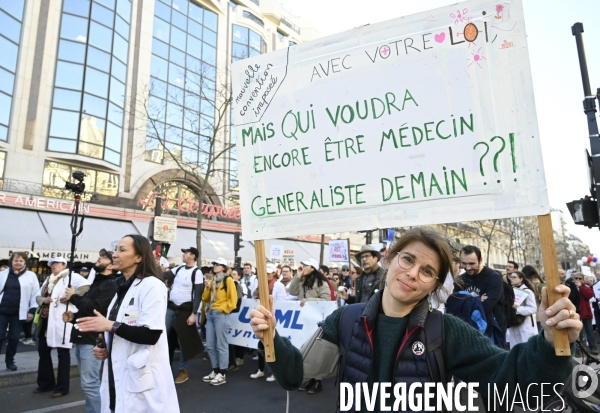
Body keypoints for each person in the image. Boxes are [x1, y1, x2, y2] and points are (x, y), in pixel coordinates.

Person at [249, 228, 581, 412]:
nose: (411, 274)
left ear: (436, 285)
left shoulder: (447, 331)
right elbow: (295, 374)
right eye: (407, 259)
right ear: (390, 260)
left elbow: (517, 383)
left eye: (427, 271)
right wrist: (271, 337)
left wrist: (552, 344)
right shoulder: (345, 320)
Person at [75, 234, 179, 413]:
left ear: (139, 257)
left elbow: (150, 335)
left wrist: (109, 325)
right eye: (115, 250)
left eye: (122, 250)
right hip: (117, 377)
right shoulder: (121, 288)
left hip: (142, 379)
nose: (115, 254)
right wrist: (103, 344)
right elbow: (121, 327)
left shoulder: (152, 286)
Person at [62, 248, 118, 413]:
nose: (98, 259)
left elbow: (96, 309)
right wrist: (74, 316)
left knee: (90, 383)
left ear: (111, 265)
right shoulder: (99, 281)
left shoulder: (112, 283)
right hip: (83, 335)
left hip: (93, 338)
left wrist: (73, 297)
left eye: (103, 257)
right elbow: (88, 309)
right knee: (88, 383)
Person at [35, 256, 90, 398]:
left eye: (56, 263)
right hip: (46, 320)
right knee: (43, 352)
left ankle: (62, 387)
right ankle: (46, 383)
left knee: (63, 353)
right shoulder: (49, 279)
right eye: (51, 263)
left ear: (64, 265)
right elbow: (38, 296)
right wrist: (44, 300)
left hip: (61, 319)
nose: (53, 265)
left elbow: (86, 287)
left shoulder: (71, 276)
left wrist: (71, 296)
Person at [288, 258, 332, 394]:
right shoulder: (301, 281)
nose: (302, 267)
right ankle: (309, 379)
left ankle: (317, 381)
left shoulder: (321, 282)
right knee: (306, 349)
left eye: (305, 265)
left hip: (316, 320)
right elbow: (292, 292)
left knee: (316, 350)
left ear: (312, 268)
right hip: (304, 320)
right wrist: (297, 276)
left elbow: (327, 299)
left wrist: (309, 301)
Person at [454, 245, 507, 348]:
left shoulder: (493, 278)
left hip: (493, 331)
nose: (467, 267)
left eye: (472, 263)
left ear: (480, 260)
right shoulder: (460, 280)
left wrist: (467, 301)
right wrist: (477, 299)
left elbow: (487, 306)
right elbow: (456, 305)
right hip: (469, 330)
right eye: (464, 263)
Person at [165, 247, 203, 384]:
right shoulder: (180, 268)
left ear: (192, 256)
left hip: (186, 309)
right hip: (171, 307)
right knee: (163, 336)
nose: (183, 255)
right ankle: (164, 367)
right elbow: (165, 275)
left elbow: (198, 294)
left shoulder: (197, 272)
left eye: (186, 253)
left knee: (183, 341)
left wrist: (193, 314)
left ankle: (183, 370)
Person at [202, 257, 238, 386]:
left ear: (223, 267)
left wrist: (221, 309)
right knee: (210, 345)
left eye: (218, 264)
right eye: (214, 264)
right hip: (211, 313)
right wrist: (207, 287)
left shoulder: (228, 280)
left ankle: (222, 373)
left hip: (220, 314)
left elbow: (233, 301)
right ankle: (216, 370)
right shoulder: (212, 280)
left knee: (221, 345)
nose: (215, 266)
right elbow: (205, 298)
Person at [0, 252, 39, 370]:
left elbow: (35, 294)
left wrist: (32, 310)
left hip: (18, 313)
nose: (18, 263)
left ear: (25, 262)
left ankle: (9, 361)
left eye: (21, 261)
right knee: (0, 336)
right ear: (11, 262)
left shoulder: (31, 276)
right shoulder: (3, 274)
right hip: (2, 311)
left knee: (14, 337)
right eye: (15, 260)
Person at [250, 263, 279, 382]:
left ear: (273, 274)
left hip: (274, 317)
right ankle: (261, 369)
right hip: (263, 316)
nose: (265, 275)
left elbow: (282, 300)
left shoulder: (278, 285)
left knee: (274, 344)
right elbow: (254, 294)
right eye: (264, 273)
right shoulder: (262, 284)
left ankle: (274, 372)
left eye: (267, 273)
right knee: (262, 343)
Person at [506, 271, 537, 347]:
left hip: (525, 323)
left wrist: (517, 309)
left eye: (514, 277)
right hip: (513, 322)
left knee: (526, 346)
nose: (511, 279)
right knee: (515, 347)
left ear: (521, 279)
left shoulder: (527, 291)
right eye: (511, 277)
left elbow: (533, 308)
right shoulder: (510, 290)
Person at [572, 272, 598, 354]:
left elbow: (589, 295)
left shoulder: (585, 287)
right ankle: (579, 349)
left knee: (589, 330)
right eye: (576, 278)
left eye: (580, 278)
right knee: (577, 331)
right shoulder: (571, 287)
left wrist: (581, 287)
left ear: (583, 280)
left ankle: (593, 347)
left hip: (586, 312)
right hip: (575, 312)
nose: (578, 280)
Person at [227, 268, 248, 371]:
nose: (232, 276)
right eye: (232, 274)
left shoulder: (239, 285)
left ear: (239, 276)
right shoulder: (231, 283)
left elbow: (240, 299)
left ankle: (239, 357)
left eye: (234, 274)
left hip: (237, 313)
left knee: (238, 336)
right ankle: (233, 358)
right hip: (232, 313)